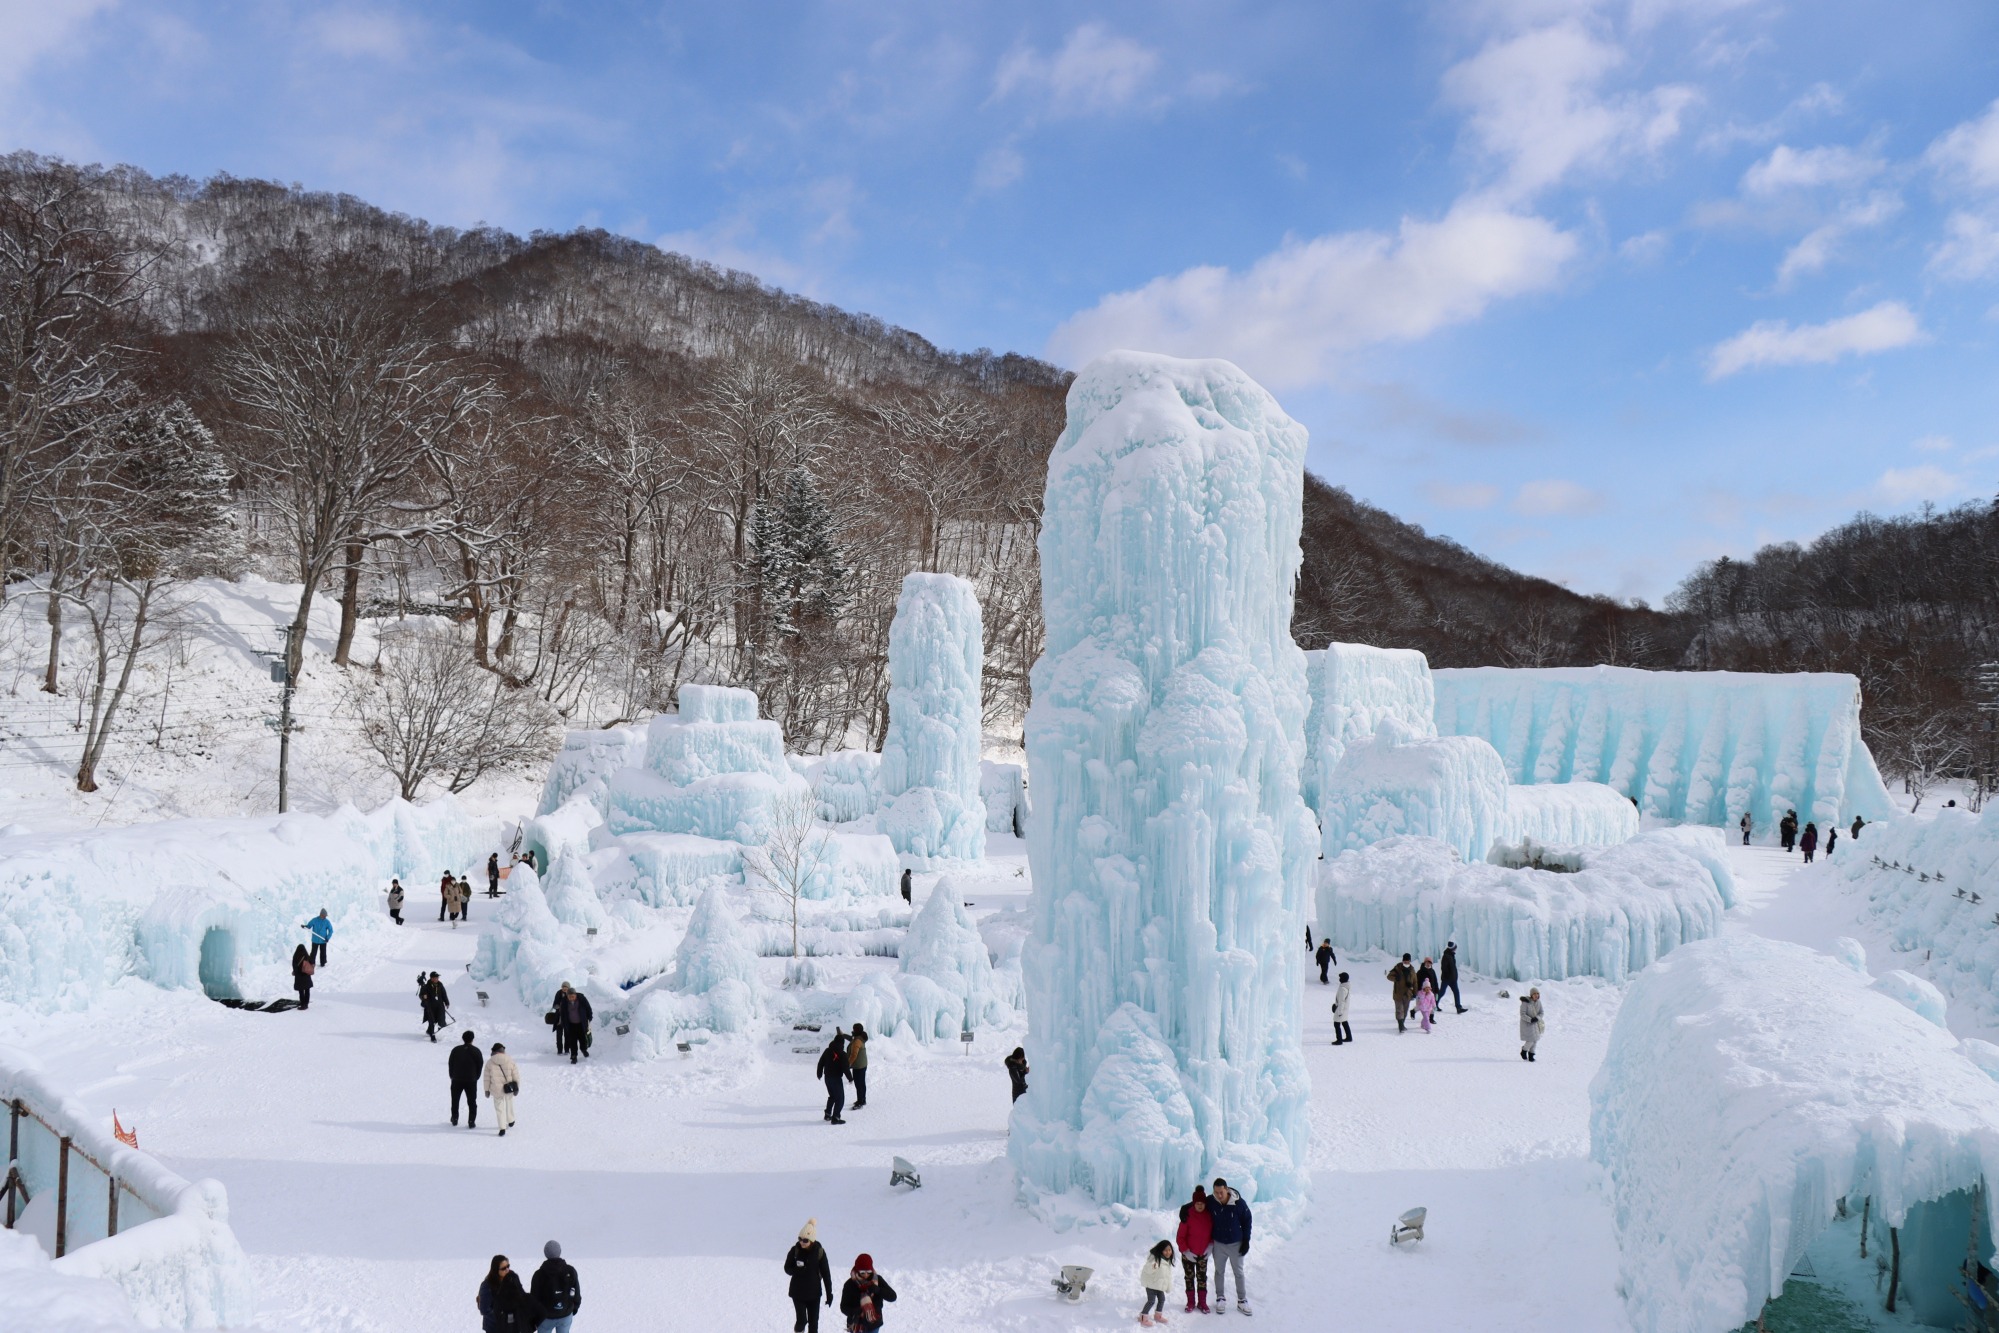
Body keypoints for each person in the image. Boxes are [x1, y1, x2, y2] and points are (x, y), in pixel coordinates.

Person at [1208, 1178, 1252, 1315]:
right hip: (1219, 1244)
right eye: (1216, 1192)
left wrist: (1246, 1240)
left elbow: (1247, 1220)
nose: (1219, 1195)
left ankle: (1242, 1300)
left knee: (1238, 1272)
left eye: (1221, 1192)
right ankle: (1220, 1298)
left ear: (1226, 1189)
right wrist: (1185, 1208)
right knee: (1219, 1271)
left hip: (1236, 1244)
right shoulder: (1211, 1201)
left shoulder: (1239, 1203)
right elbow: (1197, 1203)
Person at [785, 1219, 835, 1333]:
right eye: (800, 1239)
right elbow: (787, 1268)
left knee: (814, 1324)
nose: (801, 1242)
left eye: (805, 1240)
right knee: (801, 1321)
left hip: (814, 1294)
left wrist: (829, 1293)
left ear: (812, 1240)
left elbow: (826, 1274)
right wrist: (796, 1270)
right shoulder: (795, 1250)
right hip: (798, 1293)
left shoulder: (819, 1252)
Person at [1175, 1186, 1213, 1313]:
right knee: (1189, 1278)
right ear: (1194, 1203)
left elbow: (1212, 1234)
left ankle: (1202, 1303)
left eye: (1202, 1203)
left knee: (1202, 1278)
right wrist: (1186, 1251)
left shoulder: (1209, 1216)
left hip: (1203, 1254)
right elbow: (1180, 1237)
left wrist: (1210, 1246)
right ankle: (1190, 1302)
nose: (1200, 1206)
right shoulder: (1187, 1216)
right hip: (1188, 1255)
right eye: (1197, 1203)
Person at [530, 1239, 582, 1332]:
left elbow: (534, 1298)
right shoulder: (570, 1271)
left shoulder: (539, 1275)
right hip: (565, 1315)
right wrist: (574, 1308)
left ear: (545, 1253)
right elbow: (576, 1293)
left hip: (545, 1318)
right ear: (560, 1251)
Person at [477, 1255, 533, 1333]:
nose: (507, 1270)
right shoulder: (487, 1285)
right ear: (496, 1270)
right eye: (503, 1268)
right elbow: (485, 1309)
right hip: (495, 1328)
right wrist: (503, 1317)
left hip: (513, 1326)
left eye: (508, 1266)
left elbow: (521, 1295)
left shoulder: (513, 1278)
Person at [838, 1255, 896, 1332]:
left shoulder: (878, 1280)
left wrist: (878, 1290)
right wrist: (855, 1311)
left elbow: (893, 1297)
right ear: (857, 1270)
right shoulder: (849, 1284)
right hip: (856, 1324)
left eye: (868, 1272)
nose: (865, 1275)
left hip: (873, 1323)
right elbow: (843, 1307)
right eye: (862, 1272)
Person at [485, 1041, 520, 1135]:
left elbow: (487, 1078)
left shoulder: (489, 1062)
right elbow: (516, 1075)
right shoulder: (510, 1060)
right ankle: (511, 1120)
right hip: (508, 1088)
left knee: (499, 1109)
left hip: (496, 1089)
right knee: (509, 1103)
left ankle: (502, 1128)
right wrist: (517, 1087)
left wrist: (486, 1090)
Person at [449, 1030, 483, 1128]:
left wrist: (452, 1075)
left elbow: (451, 1063)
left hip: (456, 1079)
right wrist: (476, 1076)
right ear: (472, 1039)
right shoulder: (476, 1051)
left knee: (455, 1099)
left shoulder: (456, 1050)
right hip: (471, 1080)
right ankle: (471, 1121)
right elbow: (480, 1065)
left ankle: (454, 1118)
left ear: (463, 1038)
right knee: (472, 1101)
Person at [1138, 1240, 1175, 1326]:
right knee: (1151, 1301)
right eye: (1165, 1250)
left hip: (1159, 1286)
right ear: (1161, 1250)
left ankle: (1158, 1316)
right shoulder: (1154, 1259)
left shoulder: (1167, 1261)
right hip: (1151, 1285)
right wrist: (1153, 1266)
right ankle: (1143, 1317)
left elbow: (1167, 1276)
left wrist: (1168, 1287)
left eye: (1169, 1250)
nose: (1168, 1252)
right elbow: (1147, 1269)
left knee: (1162, 1299)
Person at [816, 1033, 848, 1125]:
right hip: (836, 1079)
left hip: (827, 1078)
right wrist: (850, 1078)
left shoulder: (827, 1051)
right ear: (842, 1043)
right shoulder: (842, 1054)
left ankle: (827, 1114)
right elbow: (845, 1068)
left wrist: (819, 1073)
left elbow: (821, 1062)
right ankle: (835, 1118)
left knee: (832, 1096)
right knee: (840, 1099)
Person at [558, 983, 593, 1063]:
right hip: (571, 1025)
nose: (571, 998)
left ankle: (584, 1049)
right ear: (567, 996)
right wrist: (564, 1023)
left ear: (575, 995)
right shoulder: (564, 1001)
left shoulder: (582, 999)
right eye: (569, 997)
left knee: (582, 1038)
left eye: (573, 996)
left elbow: (588, 1008)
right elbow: (562, 1013)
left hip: (581, 1023)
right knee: (572, 1041)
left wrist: (589, 1017)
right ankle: (574, 1056)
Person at [1386, 953, 1416, 1033]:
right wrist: (1396, 978)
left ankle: (1402, 1024)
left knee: (1405, 1011)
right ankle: (1401, 1026)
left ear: (1410, 961)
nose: (1406, 963)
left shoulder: (1412, 970)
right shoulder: (1397, 968)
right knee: (1399, 1010)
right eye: (1405, 961)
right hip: (1398, 993)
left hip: (1408, 993)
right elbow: (1389, 976)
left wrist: (1415, 992)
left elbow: (1415, 982)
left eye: (1408, 961)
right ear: (1402, 961)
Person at [422, 972, 451, 1042]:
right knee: (431, 1020)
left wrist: (447, 1002)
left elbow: (444, 994)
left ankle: (429, 1030)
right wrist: (424, 999)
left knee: (439, 1019)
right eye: (435, 978)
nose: (437, 979)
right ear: (431, 978)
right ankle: (432, 1035)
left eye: (437, 977)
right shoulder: (426, 986)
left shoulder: (440, 985)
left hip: (439, 1006)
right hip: (430, 1007)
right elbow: (422, 996)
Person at [1439, 942, 1465, 1014]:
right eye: (1455, 948)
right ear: (1452, 948)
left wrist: (1454, 976)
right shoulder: (1446, 956)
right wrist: (1448, 976)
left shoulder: (1451, 955)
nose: (1456, 949)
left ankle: (1458, 1008)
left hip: (1452, 979)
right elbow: (1444, 968)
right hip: (1446, 979)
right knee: (1441, 992)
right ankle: (1433, 1004)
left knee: (1456, 992)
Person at [847, 1024, 869, 1110]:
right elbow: (851, 1038)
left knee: (858, 1084)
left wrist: (848, 1064)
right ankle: (863, 1100)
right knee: (862, 1083)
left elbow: (854, 1055)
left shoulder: (857, 1041)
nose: (852, 1030)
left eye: (853, 1029)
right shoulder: (860, 1037)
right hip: (863, 1064)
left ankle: (860, 1102)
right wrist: (843, 1035)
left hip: (858, 1066)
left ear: (856, 1030)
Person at [1519, 988, 1544, 1062]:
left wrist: (1537, 1018)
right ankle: (1524, 1050)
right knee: (1531, 1040)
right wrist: (1530, 1020)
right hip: (1527, 1024)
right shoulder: (1525, 1003)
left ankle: (1531, 1055)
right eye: (1534, 994)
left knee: (1535, 1040)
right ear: (1531, 995)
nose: (1536, 995)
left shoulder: (1539, 1002)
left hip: (1536, 1024)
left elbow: (1542, 1012)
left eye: (1537, 993)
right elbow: (1522, 1014)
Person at [550, 984, 572, 1056]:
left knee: (567, 1035)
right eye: (563, 987)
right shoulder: (558, 993)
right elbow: (554, 1005)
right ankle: (559, 1050)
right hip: (559, 1019)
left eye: (566, 987)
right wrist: (559, 1006)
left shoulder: (571, 994)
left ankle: (567, 1050)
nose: (564, 988)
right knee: (559, 1035)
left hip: (568, 1019)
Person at [290, 944, 314, 1010]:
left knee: (301, 991)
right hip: (306, 976)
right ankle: (306, 1004)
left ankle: (303, 1004)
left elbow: (294, 966)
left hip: (299, 977)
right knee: (307, 990)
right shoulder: (307, 956)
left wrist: (296, 972)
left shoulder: (296, 956)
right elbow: (312, 962)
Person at [1330, 973, 1352, 1045]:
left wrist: (1339, 1012)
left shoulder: (1342, 989)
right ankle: (1349, 1037)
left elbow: (1342, 1001)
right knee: (1344, 1022)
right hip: (1344, 1009)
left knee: (1336, 1023)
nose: (1339, 979)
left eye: (1340, 977)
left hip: (1341, 1009)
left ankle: (1339, 1040)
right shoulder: (1345, 987)